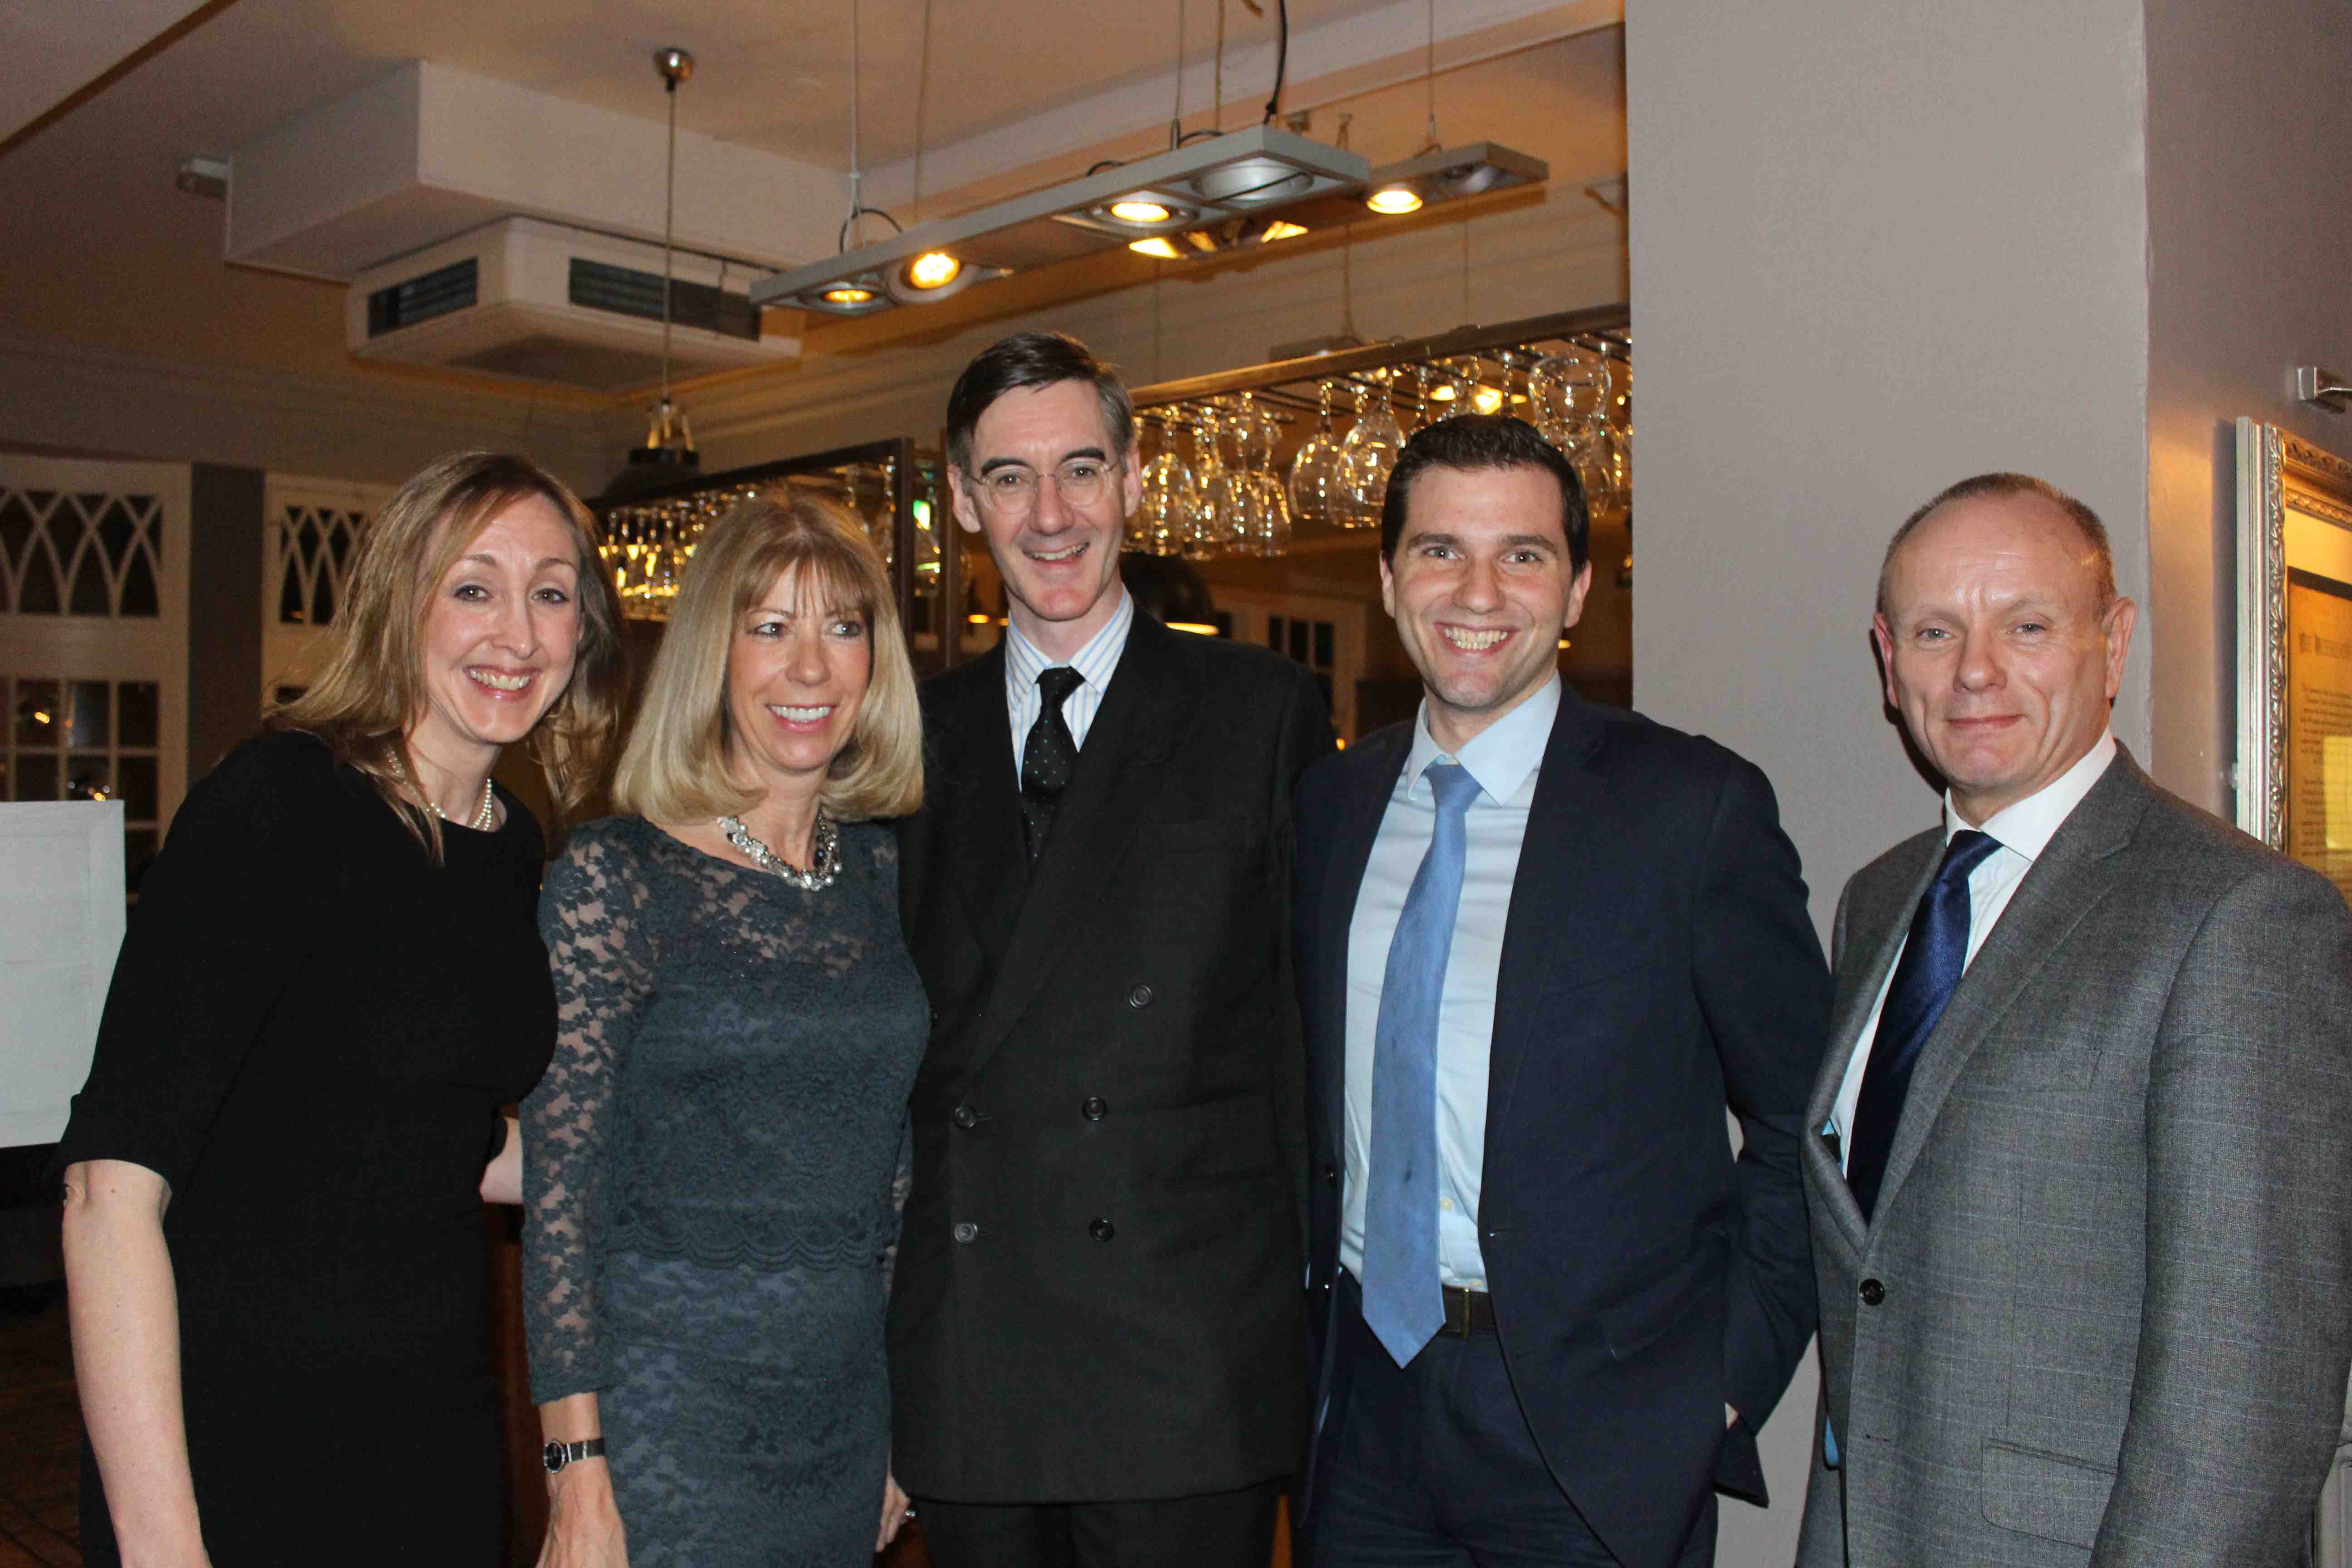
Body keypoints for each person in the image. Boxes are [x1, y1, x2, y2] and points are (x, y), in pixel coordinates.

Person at [54, 450, 626, 1567]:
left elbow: (436, 1138)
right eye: (474, 587)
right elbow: (106, 1192)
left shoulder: (514, 852)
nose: (516, 632)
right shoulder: (280, 804)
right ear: (397, 606)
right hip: (230, 1440)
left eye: (551, 593)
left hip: (432, 1437)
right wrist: (166, 1547)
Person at [1291, 414, 1831, 1568]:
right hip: (1362, 1419)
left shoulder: (1691, 812)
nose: (1477, 590)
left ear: (1579, 589)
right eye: (1440, 550)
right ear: (1389, 578)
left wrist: (1723, 1388)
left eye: (1523, 555)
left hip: (1596, 1432)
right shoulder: (1329, 811)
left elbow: (1806, 1125)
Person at [1797, 473, 2352, 1566]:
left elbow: (2250, 1385)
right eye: (1935, 630)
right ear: (1886, 656)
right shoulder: (1877, 900)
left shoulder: (2238, 914)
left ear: (2116, 639)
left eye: (2029, 625)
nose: (1975, 672)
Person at [890, 331, 1334, 1568]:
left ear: (1133, 479)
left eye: (1081, 469)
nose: (1051, 515)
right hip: (976, 1360)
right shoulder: (906, 739)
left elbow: (1312, 1046)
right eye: (1011, 479)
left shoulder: (1259, 714)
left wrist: (1318, 1334)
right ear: (966, 499)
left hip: (1184, 1361)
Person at [523, 493, 927, 1568]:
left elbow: (892, 1175)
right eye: (771, 628)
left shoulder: (889, 872)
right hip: (672, 1422)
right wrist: (577, 1480)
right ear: (713, 651)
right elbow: (562, 1198)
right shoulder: (620, 877)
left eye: (843, 628)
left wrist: (896, 1426)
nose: (811, 668)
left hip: (845, 1419)